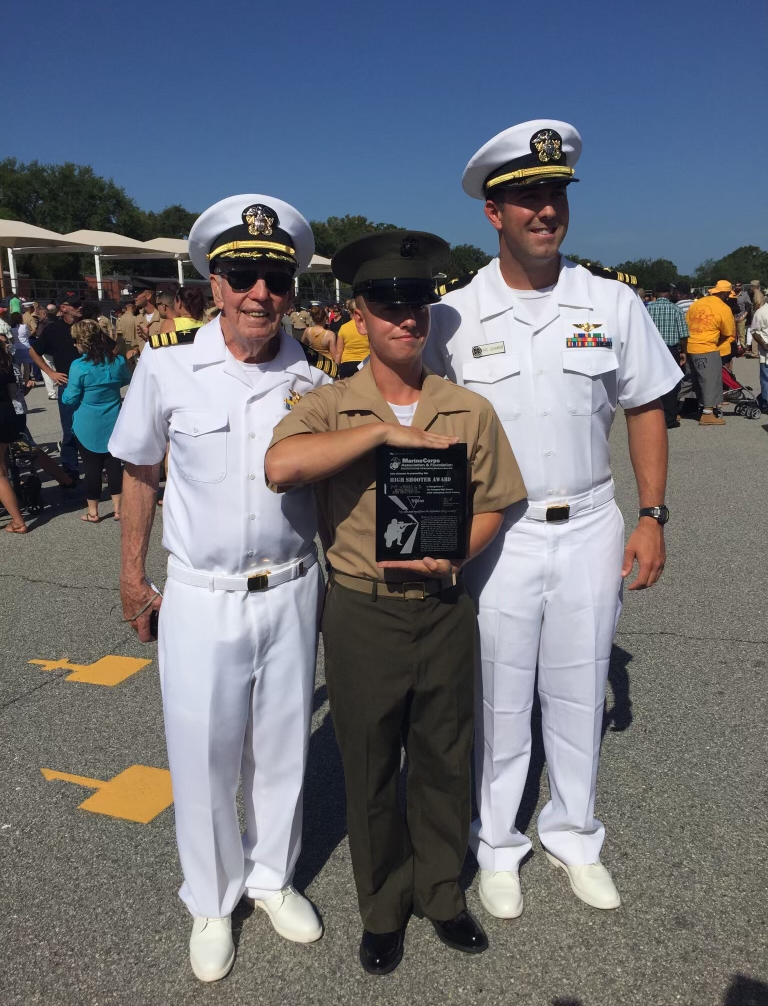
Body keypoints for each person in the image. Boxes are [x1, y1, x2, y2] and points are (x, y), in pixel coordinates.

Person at [426, 119, 681, 919]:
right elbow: (421, 428)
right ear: (493, 213)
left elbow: (643, 405)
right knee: (500, 697)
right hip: (498, 533)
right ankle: (497, 844)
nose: (545, 210)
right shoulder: (453, 317)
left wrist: (653, 516)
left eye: (555, 193)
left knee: (576, 692)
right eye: (526, 197)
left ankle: (575, 833)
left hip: (593, 520)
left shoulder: (610, 301)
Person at [266, 231, 527, 975]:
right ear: (360, 313)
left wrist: (457, 553)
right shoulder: (328, 405)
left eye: (419, 301)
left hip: (443, 603)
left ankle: (442, 893)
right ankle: (382, 906)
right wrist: (381, 432)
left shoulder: (466, 408)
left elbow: (498, 502)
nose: (406, 317)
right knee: (371, 763)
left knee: (446, 756)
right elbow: (281, 467)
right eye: (389, 303)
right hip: (364, 610)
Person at [110, 194, 331, 983]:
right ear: (214, 282)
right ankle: (212, 898)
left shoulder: (312, 380)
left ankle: (272, 878)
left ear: (292, 289)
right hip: (201, 593)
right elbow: (138, 473)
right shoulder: (166, 368)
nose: (259, 294)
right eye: (243, 275)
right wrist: (134, 576)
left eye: (275, 278)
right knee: (203, 754)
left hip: (293, 587)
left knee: (280, 753)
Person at [62, 320, 130, 523]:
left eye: (76, 341)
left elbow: (71, 398)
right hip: (114, 420)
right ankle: (118, 509)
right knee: (114, 465)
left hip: (87, 422)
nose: (74, 345)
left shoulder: (79, 366)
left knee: (92, 469)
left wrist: (65, 395)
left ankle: (93, 512)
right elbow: (127, 379)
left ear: (83, 342)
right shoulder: (116, 361)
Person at [28, 292, 83, 480]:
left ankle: (101, 467)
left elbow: (111, 347)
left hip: (91, 387)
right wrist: (50, 373)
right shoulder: (54, 330)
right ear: (63, 308)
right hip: (68, 386)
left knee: (97, 428)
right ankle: (71, 471)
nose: (79, 307)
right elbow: (33, 351)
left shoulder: (87, 327)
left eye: (80, 303)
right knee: (69, 431)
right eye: (75, 304)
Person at [686, 280, 735, 425]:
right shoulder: (723, 308)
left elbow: (687, 321)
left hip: (690, 346)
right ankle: (708, 414)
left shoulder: (697, 303)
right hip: (707, 348)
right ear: (725, 293)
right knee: (710, 381)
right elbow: (727, 331)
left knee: (688, 381)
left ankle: (676, 409)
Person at [646, 282, 688, 428]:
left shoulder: (647, 309)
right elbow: (683, 334)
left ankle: (653, 417)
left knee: (654, 382)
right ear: (669, 292)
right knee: (671, 384)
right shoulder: (676, 309)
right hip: (671, 350)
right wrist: (684, 352)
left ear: (655, 293)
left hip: (652, 350)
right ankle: (669, 418)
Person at [0, 334, 30, 533]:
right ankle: (17, 519)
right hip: (7, 413)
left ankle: (18, 521)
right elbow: (13, 392)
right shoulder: (5, 363)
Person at [335, 310, 370, 377]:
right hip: (366, 363)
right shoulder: (367, 327)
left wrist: (336, 369)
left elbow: (339, 352)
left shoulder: (344, 327)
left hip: (347, 364)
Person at [131, 281, 161, 350]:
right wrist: (134, 351)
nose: (134, 296)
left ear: (148, 296)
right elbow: (136, 345)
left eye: (137, 293)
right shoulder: (138, 319)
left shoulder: (162, 317)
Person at [750, 298, 768, 412]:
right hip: (766, 354)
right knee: (766, 379)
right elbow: (754, 331)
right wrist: (763, 343)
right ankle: (766, 404)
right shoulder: (761, 312)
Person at [9, 311, 34, 386]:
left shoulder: (11, 328)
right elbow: (28, 334)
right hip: (25, 347)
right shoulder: (24, 326)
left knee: (17, 366)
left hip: (15, 348)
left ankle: (19, 381)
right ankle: (27, 382)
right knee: (26, 367)